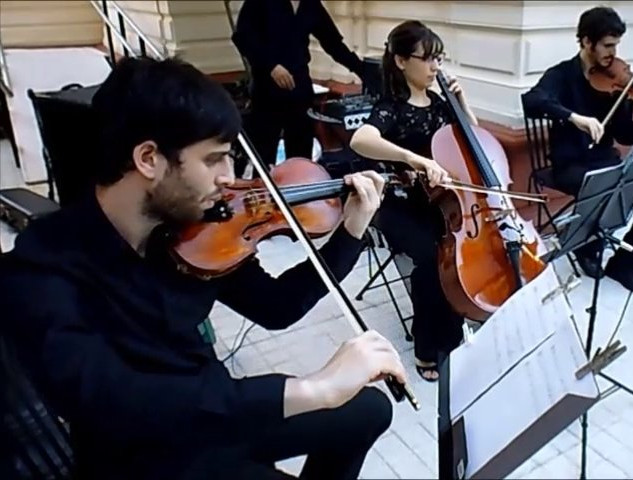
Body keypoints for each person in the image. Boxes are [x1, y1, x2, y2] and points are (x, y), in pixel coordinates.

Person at [0, 56, 408, 480]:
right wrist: (310, 389)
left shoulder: (190, 230)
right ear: (148, 159)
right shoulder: (42, 271)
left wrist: (350, 233)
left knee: (369, 410)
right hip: (148, 453)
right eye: (213, 159)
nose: (229, 179)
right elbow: (120, 401)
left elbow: (276, 307)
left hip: (214, 408)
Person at [521, 6, 633, 294]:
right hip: (570, 165)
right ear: (586, 42)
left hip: (606, 162)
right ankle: (588, 244)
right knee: (608, 188)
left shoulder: (618, 81)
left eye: (616, 45)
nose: (613, 53)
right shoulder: (562, 75)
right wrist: (573, 117)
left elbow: (625, 134)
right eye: (607, 45)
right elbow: (532, 100)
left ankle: (625, 265)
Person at [349, 20, 475, 382]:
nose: (436, 66)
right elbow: (361, 139)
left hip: (440, 202)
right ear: (403, 61)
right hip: (399, 205)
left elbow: (472, 140)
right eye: (429, 58)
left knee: (454, 252)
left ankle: (452, 333)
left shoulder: (439, 103)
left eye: (439, 58)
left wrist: (462, 101)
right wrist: (413, 158)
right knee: (431, 257)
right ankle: (429, 346)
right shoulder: (391, 107)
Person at [231, 0, 366, 174]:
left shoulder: (311, 5)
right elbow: (242, 37)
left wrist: (363, 70)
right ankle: (264, 195)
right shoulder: (259, 3)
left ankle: (299, 193)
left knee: (301, 150)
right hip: (267, 88)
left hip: (300, 85)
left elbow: (332, 43)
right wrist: (271, 66)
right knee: (264, 150)